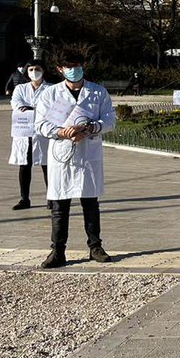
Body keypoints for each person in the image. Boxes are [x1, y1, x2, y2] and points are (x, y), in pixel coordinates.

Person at [35, 50, 115, 268]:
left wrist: (90, 128)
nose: (73, 70)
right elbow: (40, 124)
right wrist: (63, 132)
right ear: (60, 69)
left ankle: (95, 247)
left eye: (77, 65)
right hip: (61, 153)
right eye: (68, 66)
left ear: (83, 66)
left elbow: (109, 120)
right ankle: (57, 251)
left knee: (90, 202)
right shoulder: (50, 94)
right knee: (60, 205)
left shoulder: (98, 92)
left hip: (88, 152)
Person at [9, 60, 49, 210]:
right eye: (31, 69)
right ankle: (24, 198)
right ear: (26, 72)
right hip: (24, 132)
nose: (34, 72)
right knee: (24, 166)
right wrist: (25, 108)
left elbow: (51, 106)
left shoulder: (51, 88)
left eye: (37, 69)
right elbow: (15, 103)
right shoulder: (20, 88)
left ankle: (51, 198)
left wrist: (31, 108)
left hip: (43, 133)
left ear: (44, 70)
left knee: (47, 166)